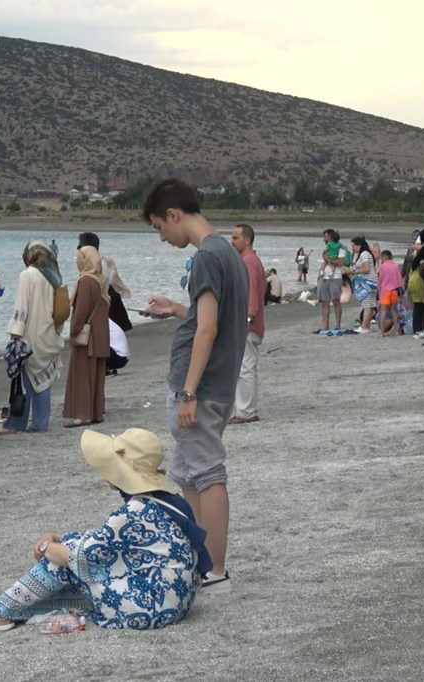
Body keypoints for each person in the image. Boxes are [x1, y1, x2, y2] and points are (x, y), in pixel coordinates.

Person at [0, 428, 210, 633]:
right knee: (76, 559)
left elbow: (77, 556)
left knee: (59, 566)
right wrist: (60, 539)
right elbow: (103, 541)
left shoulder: (132, 511)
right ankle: (5, 611)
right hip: (178, 600)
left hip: (150, 608)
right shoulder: (167, 500)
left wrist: (47, 548)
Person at [143, 178, 246, 594]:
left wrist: (188, 393)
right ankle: (201, 559)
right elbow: (211, 318)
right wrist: (177, 310)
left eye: (159, 228)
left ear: (173, 214)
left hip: (202, 387)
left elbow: (208, 329)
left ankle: (216, 570)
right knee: (188, 471)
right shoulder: (228, 253)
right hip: (215, 382)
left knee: (207, 471)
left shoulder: (207, 256)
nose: (162, 238)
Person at [0, 241, 64, 434]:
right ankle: (40, 422)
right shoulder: (53, 275)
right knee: (42, 380)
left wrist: (15, 332)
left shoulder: (27, 275)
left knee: (24, 381)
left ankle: (16, 423)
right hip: (48, 333)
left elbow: (22, 306)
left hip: (31, 333)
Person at [62, 246, 110, 428]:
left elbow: (80, 311)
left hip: (87, 336)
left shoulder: (85, 281)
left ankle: (82, 414)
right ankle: (96, 412)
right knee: (96, 375)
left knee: (82, 374)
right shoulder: (100, 280)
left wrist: (73, 332)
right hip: (100, 333)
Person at [229, 224, 264, 425]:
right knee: (245, 367)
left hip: (247, 323)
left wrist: (248, 318)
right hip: (249, 322)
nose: (232, 242)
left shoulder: (249, 262)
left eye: (235, 238)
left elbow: (251, 292)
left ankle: (246, 411)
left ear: (247, 240)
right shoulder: (251, 261)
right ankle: (244, 409)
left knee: (245, 367)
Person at [77, 232, 133, 332]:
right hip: (106, 313)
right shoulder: (99, 264)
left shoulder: (94, 269)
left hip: (101, 316)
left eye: (80, 247)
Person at [345, 236, 378, 333]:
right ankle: (366, 326)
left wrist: (353, 271)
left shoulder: (364, 254)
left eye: (354, 246)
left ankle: (364, 327)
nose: (353, 248)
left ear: (360, 245)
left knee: (367, 304)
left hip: (367, 282)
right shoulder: (366, 254)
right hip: (371, 281)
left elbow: (366, 269)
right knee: (370, 304)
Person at [317, 229, 345, 330]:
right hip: (324, 276)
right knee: (324, 302)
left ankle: (338, 325)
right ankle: (325, 326)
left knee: (336, 301)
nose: (324, 239)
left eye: (325, 237)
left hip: (335, 276)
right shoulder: (327, 247)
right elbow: (325, 258)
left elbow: (341, 262)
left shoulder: (340, 247)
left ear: (330, 237)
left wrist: (328, 259)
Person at [376, 250, 403, 336]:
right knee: (393, 311)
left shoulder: (383, 266)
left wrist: (378, 290)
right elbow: (399, 279)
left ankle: (382, 332)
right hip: (394, 291)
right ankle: (396, 330)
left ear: (384, 257)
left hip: (385, 291)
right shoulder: (395, 265)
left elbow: (380, 280)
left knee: (383, 311)